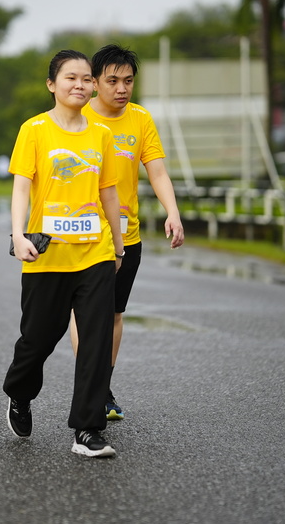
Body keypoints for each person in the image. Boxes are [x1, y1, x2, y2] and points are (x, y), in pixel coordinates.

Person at [3, 49, 124, 459]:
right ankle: (19, 392)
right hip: (47, 254)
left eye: (87, 78)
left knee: (96, 339)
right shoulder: (34, 130)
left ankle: (87, 430)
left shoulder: (101, 134)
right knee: (38, 339)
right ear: (52, 84)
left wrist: (118, 245)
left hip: (95, 252)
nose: (80, 85)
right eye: (71, 77)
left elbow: (108, 192)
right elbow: (22, 186)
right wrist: (18, 234)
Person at [70, 44, 186, 422]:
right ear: (94, 83)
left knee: (115, 314)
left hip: (127, 234)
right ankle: (92, 387)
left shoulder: (140, 119)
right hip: (84, 231)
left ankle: (102, 386)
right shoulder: (78, 117)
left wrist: (172, 212)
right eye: (113, 81)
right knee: (85, 314)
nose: (122, 88)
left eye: (128, 81)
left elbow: (157, 171)